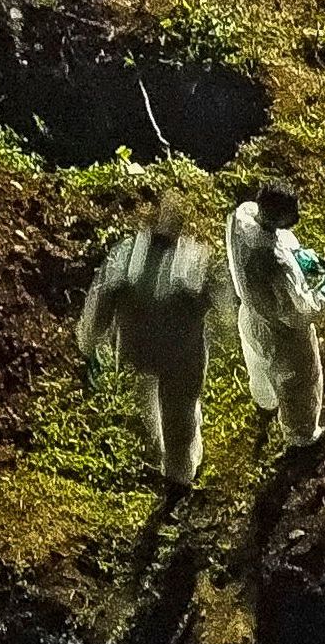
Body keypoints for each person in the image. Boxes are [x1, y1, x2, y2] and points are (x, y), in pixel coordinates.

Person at [76, 194, 225, 494]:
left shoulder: (128, 255)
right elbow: (220, 304)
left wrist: (90, 341)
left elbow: (100, 303)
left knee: (170, 410)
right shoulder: (188, 260)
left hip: (151, 350)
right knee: (174, 411)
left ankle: (177, 468)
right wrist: (90, 341)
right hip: (172, 353)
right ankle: (178, 472)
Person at [225, 186, 325, 447]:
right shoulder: (276, 263)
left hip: (252, 318)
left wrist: (300, 256)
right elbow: (300, 313)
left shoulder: (243, 216)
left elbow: (278, 239)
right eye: (290, 214)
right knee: (299, 381)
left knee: (259, 366)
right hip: (282, 335)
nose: (296, 218)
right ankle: (303, 436)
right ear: (277, 216)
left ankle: (265, 404)